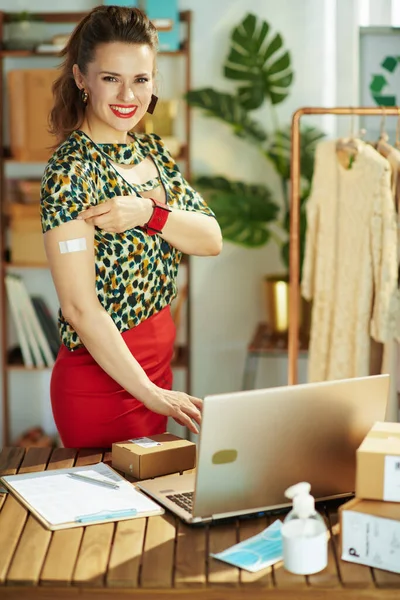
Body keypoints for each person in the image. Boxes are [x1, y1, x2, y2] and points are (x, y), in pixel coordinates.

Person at [40, 5, 222, 448]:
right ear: (82, 78)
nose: (128, 95)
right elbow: (81, 309)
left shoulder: (153, 152)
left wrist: (148, 213)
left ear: (154, 81)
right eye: (110, 78)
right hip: (102, 383)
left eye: (140, 79)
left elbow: (210, 238)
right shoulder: (70, 171)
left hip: (157, 371)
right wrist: (152, 395)